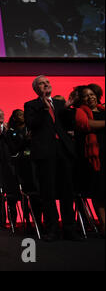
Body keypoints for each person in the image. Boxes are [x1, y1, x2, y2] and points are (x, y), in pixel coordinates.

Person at [24, 75, 82, 242]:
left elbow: (69, 125)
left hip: (63, 151)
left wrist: (69, 107)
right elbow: (32, 125)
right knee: (47, 192)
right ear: (36, 88)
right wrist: (43, 107)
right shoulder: (31, 105)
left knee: (67, 192)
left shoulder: (59, 104)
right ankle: (52, 229)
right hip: (44, 153)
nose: (46, 85)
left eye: (47, 82)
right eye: (42, 83)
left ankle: (70, 229)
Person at [74, 85, 105, 236]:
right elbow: (86, 124)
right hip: (94, 158)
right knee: (99, 191)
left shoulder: (104, 110)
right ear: (81, 99)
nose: (90, 97)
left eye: (92, 94)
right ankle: (103, 224)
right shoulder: (81, 111)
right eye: (86, 96)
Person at [5, 109, 42, 234]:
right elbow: (13, 149)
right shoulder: (10, 133)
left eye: (23, 114)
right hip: (22, 167)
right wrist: (25, 140)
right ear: (14, 118)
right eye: (19, 115)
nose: (22, 117)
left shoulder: (31, 128)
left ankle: (39, 220)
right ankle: (27, 221)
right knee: (26, 195)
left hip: (35, 163)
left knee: (39, 194)